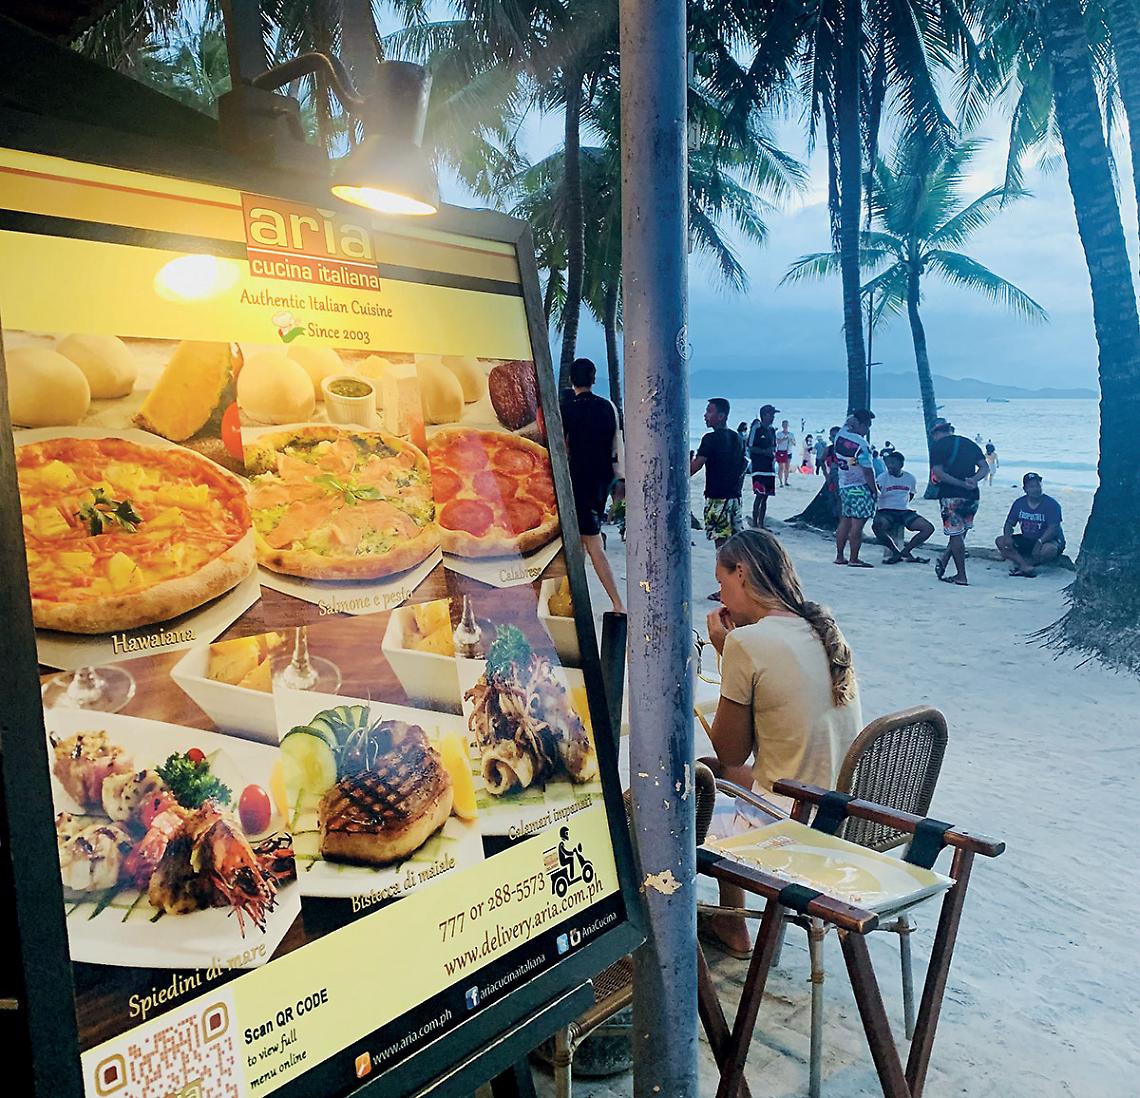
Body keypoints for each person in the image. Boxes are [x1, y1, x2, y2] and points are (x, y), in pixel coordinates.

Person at [698, 529, 862, 956]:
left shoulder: (747, 642)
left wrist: (723, 649)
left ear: (742, 573)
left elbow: (731, 750)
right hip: (841, 808)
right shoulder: (822, 628)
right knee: (713, 775)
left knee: (684, 791)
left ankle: (711, 926)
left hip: (791, 822)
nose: (720, 597)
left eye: (722, 583)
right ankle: (729, 923)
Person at [561, 358, 625, 612]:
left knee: (592, 544)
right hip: (601, 480)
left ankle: (617, 603)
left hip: (577, 480)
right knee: (580, 543)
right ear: (593, 378)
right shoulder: (608, 407)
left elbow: (563, 446)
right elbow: (616, 444)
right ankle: (572, 599)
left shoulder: (566, 408)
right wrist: (618, 481)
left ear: (571, 380)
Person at [691, 398, 747, 597]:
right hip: (735, 498)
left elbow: (695, 467)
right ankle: (740, 584)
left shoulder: (710, 439)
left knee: (721, 546)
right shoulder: (737, 438)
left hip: (717, 499)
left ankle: (725, 589)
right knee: (734, 543)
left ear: (721, 416)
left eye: (709, 411)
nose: (705, 415)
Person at [929, 418, 988, 586]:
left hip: (951, 494)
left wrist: (960, 483)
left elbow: (939, 473)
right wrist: (973, 480)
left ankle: (961, 575)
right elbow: (985, 468)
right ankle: (945, 558)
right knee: (961, 531)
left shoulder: (938, 447)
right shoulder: (969, 443)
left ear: (935, 433)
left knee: (955, 533)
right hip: (972, 495)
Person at [996, 472, 1065, 577]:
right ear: (1025, 489)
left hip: (1048, 540)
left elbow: (1053, 528)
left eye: (1038, 485)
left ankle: (1025, 564)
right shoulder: (1019, 503)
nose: (1036, 489)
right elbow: (1009, 523)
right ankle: (1024, 565)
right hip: (1027, 538)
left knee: (1049, 550)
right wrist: (1007, 536)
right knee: (1000, 541)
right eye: (1032, 486)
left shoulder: (1052, 504)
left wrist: (1040, 542)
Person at [832, 410, 878, 567]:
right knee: (857, 524)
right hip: (860, 487)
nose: (867, 430)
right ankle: (853, 558)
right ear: (861, 425)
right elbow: (868, 471)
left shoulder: (840, 435)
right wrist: (874, 490)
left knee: (845, 521)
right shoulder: (862, 445)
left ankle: (839, 556)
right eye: (867, 426)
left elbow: (852, 461)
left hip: (844, 484)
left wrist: (855, 418)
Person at [872, 451, 934, 563]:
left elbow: (911, 494)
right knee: (877, 526)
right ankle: (895, 551)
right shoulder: (882, 478)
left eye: (893, 463)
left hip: (904, 511)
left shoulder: (910, 478)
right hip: (886, 511)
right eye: (888, 463)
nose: (890, 466)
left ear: (901, 464)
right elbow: (876, 493)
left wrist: (901, 505)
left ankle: (906, 551)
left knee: (928, 528)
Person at [746, 404, 778, 528]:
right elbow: (750, 446)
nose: (773, 417)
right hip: (759, 466)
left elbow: (774, 446)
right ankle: (755, 523)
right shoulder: (757, 428)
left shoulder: (771, 430)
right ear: (765, 415)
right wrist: (764, 452)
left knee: (766, 497)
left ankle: (761, 523)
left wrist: (772, 453)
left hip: (769, 467)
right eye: (772, 414)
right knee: (759, 495)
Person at [774, 419, 796, 487]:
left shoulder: (791, 434)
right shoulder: (779, 434)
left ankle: (786, 481)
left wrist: (791, 440)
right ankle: (780, 482)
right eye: (784, 425)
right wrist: (784, 439)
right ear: (782, 425)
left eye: (786, 425)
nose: (785, 426)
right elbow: (777, 442)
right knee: (781, 467)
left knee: (787, 467)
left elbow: (794, 443)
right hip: (781, 451)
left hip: (788, 452)